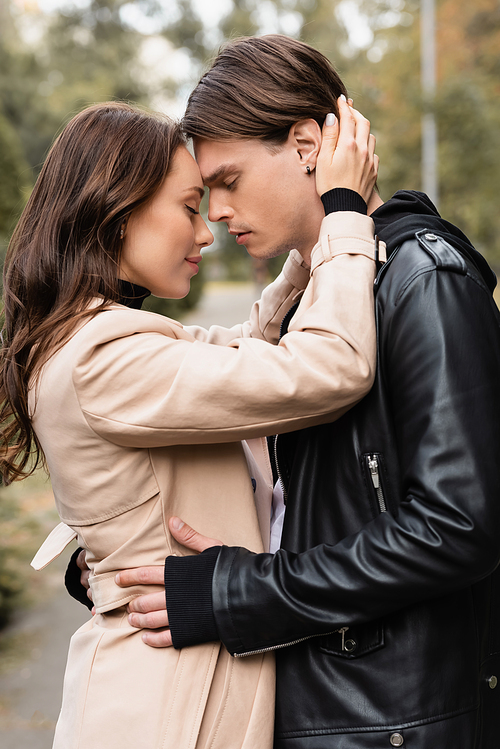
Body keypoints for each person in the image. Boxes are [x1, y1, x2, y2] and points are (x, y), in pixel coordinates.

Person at [113, 35, 500, 748]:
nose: (219, 213)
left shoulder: (422, 281)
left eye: (227, 179)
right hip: (303, 705)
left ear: (304, 145)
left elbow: (459, 526)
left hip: (390, 723)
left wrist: (241, 592)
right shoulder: (313, 303)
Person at [1, 99, 380, 749]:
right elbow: (332, 366)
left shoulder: (97, 337)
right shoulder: (103, 357)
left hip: (173, 690)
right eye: (187, 207)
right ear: (117, 209)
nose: (207, 232)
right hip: (158, 710)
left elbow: (236, 350)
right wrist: (343, 214)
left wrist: (304, 236)